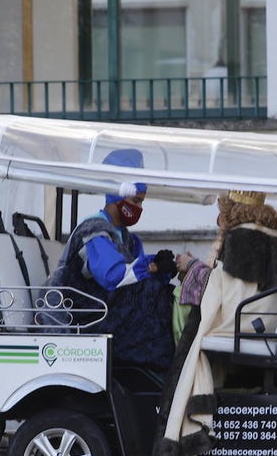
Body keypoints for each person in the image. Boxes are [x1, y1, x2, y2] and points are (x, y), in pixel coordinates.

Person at [152, 190, 277, 456]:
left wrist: (192, 270)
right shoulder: (272, 237)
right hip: (267, 320)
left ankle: (175, 438)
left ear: (230, 209)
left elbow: (224, 296)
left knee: (190, 337)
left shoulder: (240, 238)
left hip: (245, 323)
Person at [38, 148, 176, 371]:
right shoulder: (95, 232)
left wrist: (160, 267)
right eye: (136, 201)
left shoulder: (126, 237)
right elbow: (113, 276)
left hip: (110, 316)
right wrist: (150, 267)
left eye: (141, 202)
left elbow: (137, 275)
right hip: (88, 321)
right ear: (117, 195)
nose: (139, 208)